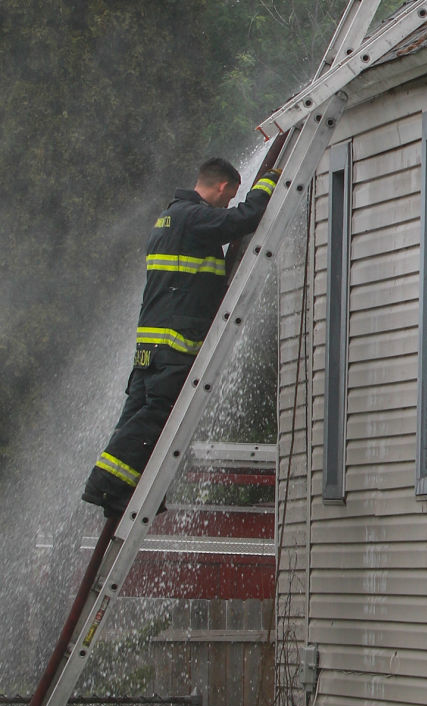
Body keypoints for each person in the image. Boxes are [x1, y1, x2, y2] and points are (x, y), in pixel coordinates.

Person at [81, 157, 279, 518]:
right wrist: (267, 184)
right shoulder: (193, 216)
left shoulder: (169, 219)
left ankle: (121, 491)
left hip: (151, 345)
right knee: (158, 413)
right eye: (229, 196)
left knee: (139, 412)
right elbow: (243, 220)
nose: (226, 204)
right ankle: (104, 483)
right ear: (223, 187)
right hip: (173, 343)